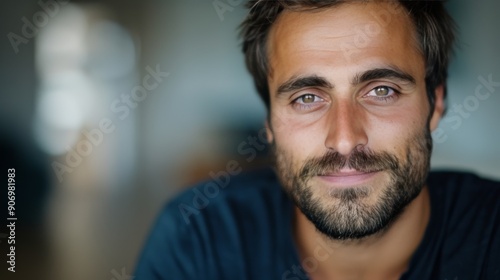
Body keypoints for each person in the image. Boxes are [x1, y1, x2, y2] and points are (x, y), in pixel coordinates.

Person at [135, 1, 500, 279]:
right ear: (270, 123)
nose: (344, 140)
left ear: (435, 103)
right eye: (306, 98)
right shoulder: (199, 240)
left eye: (382, 90)